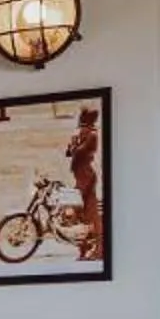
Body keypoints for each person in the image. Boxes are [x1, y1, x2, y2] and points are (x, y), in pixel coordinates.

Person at [65, 105, 102, 257]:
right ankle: (85, 248)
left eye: (82, 121)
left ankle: (98, 247)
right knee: (84, 215)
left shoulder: (92, 135)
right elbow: (69, 153)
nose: (80, 125)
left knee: (87, 213)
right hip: (81, 175)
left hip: (86, 176)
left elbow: (79, 152)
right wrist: (72, 144)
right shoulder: (83, 134)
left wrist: (75, 144)